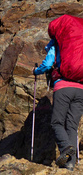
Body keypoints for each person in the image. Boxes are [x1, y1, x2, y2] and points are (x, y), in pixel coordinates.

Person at [33, 38, 83, 171]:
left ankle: (66, 147)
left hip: (63, 88)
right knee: (72, 126)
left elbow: (48, 64)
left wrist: (36, 71)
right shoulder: (79, 47)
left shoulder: (58, 44)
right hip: (81, 90)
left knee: (57, 123)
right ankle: (70, 165)